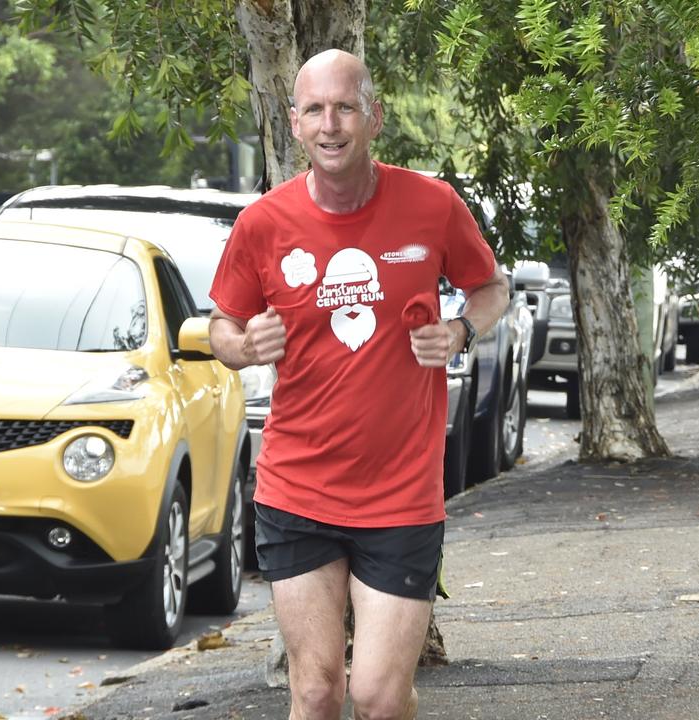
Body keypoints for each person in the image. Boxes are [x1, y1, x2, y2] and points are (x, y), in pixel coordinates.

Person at [207, 49, 509, 720]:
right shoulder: (264, 224)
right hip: (297, 487)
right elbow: (219, 326)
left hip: (400, 495)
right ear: (294, 124)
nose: (330, 124)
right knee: (315, 693)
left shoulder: (431, 206)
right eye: (314, 109)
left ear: (372, 115)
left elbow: (491, 288)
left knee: (376, 693)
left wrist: (461, 329)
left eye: (345, 107)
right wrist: (242, 345)